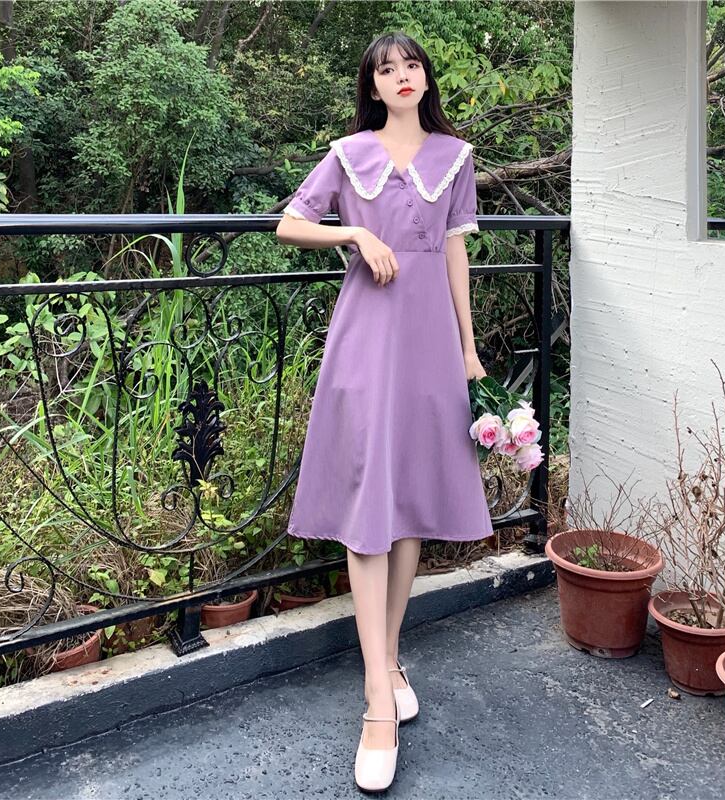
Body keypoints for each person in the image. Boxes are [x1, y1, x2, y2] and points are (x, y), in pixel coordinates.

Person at [275, 31, 493, 792]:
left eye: (412, 66)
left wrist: (468, 347)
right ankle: (377, 697)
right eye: (386, 69)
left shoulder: (456, 158)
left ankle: (390, 659)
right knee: (370, 502)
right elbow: (290, 223)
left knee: (408, 506)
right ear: (371, 86)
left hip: (431, 342)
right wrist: (356, 232)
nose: (402, 76)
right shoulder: (348, 154)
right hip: (366, 340)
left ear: (425, 78)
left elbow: (457, 254)